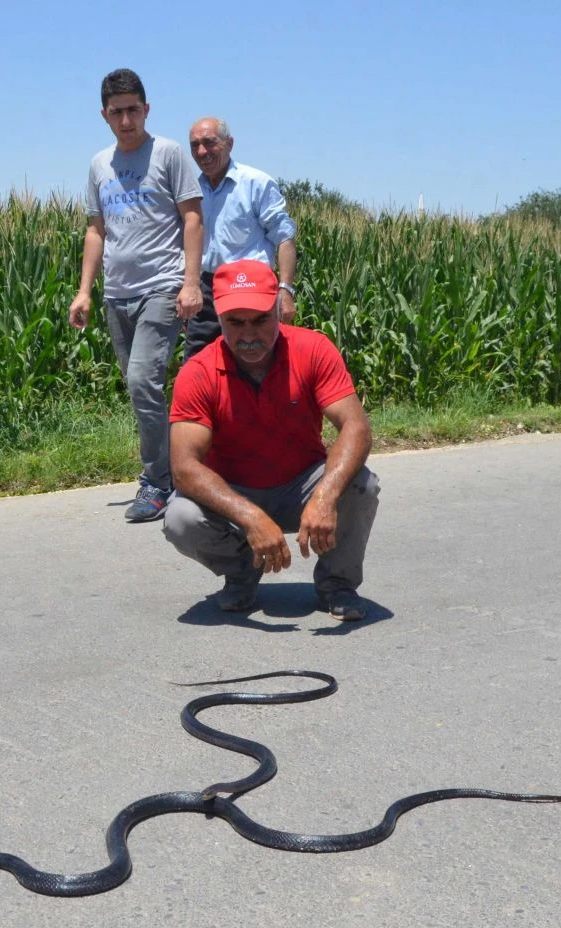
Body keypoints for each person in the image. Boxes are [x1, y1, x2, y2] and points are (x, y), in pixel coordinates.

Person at [164, 260, 380, 621]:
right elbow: (184, 467)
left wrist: (324, 497)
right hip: (234, 493)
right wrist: (250, 518)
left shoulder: (313, 349)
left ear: (277, 311)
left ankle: (337, 583)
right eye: (236, 322)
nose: (249, 334)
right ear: (219, 318)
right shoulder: (197, 373)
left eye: (261, 320)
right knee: (180, 517)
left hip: (301, 483)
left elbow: (356, 427)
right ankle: (242, 572)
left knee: (362, 484)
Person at [68, 68, 203, 522]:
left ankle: (158, 481)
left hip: (161, 287)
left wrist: (189, 283)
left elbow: (191, 219)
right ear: (104, 115)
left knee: (143, 381)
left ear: (146, 109)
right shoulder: (98, 164)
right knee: (140, 389)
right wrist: (84, 291)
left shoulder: (168, 154)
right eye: (116, 112)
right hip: (117, 295)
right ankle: (182, 470)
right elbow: (96, 229)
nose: (125, 120)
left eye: (132, 110)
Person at [181, 117, 297, 362]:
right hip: (207, 288)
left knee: (253, 362)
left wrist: (285, 290)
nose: (202, 152)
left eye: (210, 143)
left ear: (229, 143)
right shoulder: (190, 191)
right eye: (195, 145)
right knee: (197, 362)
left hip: (250, 287)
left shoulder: (256, 183)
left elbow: (285, 238)